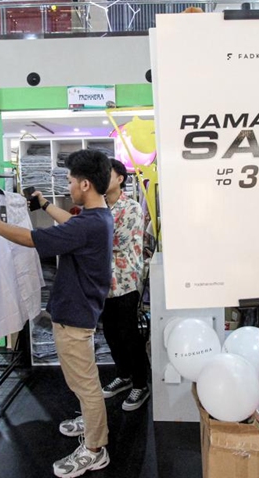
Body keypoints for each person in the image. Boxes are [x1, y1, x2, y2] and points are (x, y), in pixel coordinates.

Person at [0, 149, 113, 478]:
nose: (68, 185)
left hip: (76, 316)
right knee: (80, 382)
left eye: (71, 181)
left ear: (86, 184)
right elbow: (72, 223)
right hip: (77, 311)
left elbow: (31, 239)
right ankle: (91, 423)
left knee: (86, 384)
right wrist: (46, 205)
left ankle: (95, 449)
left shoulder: (88, 225)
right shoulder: (97, 217)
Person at [99, 159, 149, 411]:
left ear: (120, 178)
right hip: (101, 283)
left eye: (106, 173)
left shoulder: (131, 208)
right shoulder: (97, 207)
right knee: (110, 332)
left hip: (125, 280)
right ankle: (124, 375)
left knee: (128, 334)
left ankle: (141, 383)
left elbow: (115, 240)